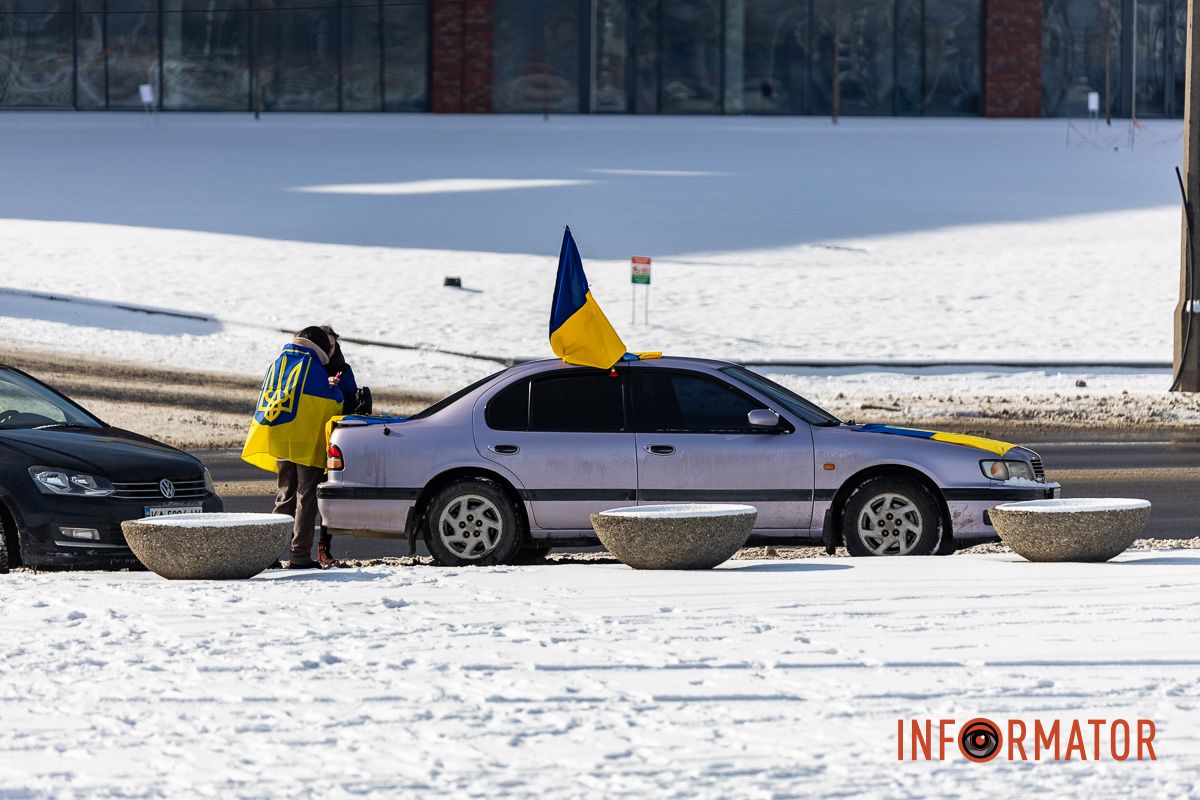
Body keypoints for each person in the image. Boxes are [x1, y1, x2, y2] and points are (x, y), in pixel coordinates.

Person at [242, 326, 344, 569]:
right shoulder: (313, 367)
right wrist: (334, 389)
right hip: (305, 441)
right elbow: (331, 402)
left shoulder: (279, 363)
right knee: (305, 498)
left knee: (284, 495)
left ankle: (270, 554)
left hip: (280, 437)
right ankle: (299, 556)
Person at [314, 326, 372, 567]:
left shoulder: (343, 369)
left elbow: (351, 403)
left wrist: (334, 388)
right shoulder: (308, 367)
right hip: (305, 435)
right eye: (327, 343)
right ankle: (287, 548)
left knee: (326, 494)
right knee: (298, 495)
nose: (331, 348)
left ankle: (323, 547)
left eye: (334, 344)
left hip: (331, 438)